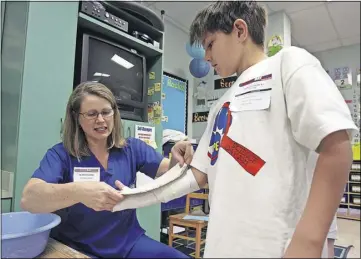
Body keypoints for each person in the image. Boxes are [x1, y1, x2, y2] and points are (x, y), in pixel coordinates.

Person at [114, 1, 358, 258]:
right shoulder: (221, 104)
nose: (206, 57)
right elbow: (196, 174)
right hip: (223, 245)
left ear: (240, 31)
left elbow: (336, 147)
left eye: (210, 44)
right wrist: (130, 197)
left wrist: (308, 242)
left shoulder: (289, 64)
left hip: (279, 246)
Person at [20, 81, 191, 258]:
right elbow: (29, 199)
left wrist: (176, 156)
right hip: (79, 247)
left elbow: (169, 171)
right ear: (76, 117)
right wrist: (79, 191)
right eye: (91, 114)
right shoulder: (61, 155)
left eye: (106, 112)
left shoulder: (131, 148)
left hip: (128, 243)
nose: (101, 120)